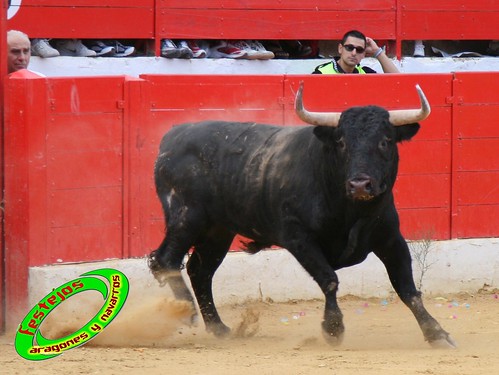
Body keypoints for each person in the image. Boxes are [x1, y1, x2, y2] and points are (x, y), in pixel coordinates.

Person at [313, 30, 399, 74]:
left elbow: (398, 82)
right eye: (349, 48)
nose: (354, 53)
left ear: (364, 54)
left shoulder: (366, 73)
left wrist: (377, 52)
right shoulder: (321, 73)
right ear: (340, 49)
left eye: (359, 50)